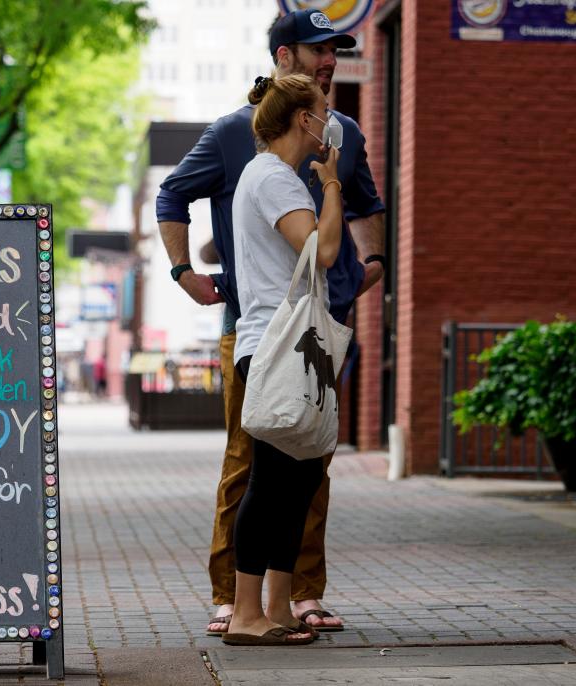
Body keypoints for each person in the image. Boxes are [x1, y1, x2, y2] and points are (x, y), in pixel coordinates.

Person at [156, 8, 385, 636]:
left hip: (320, 328)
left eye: (335, 50)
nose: (329, 60)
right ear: (285, 60)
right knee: (256, 466)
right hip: (266, 333)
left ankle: (293, 598)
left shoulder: (342, 135)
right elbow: (174, 193)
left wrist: (375, 262)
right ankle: (238, 601)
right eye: (317, 51)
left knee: (305, 467)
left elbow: (367, 209)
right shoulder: (244, 146)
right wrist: (184, 273)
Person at [224, 72, 340, 646]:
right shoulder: (273, 178)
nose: (329, 120)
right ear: (303, 119)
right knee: (271, 481)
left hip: (288, 344)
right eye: (323, 110)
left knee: (298, 479)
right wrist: (334, 185)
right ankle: (246, 613)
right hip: (276, 345)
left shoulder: (272, 176)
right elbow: (325, 249)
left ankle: (277, 606)